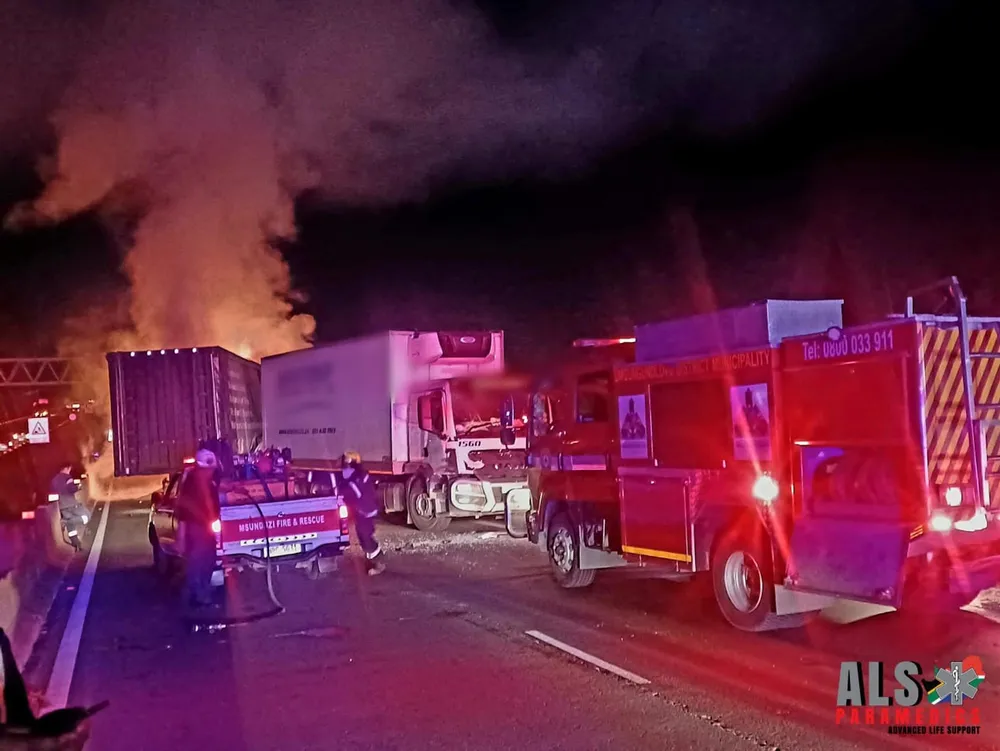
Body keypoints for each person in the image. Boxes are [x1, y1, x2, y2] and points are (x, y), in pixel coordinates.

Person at [175, 449, 221, 610]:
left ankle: (203, 591)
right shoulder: (190, 486)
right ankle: (198, 596)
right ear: (200, 468)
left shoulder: (209, 483)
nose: (210, 472)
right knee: (197, 563)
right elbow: (183, 512)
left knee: (209, 560)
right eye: (208, 470)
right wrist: (181, 537)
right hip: (196, 530)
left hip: (207, 529)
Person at [341, 451, 385, 576]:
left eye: (347, 464)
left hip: (366, 510)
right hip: (362, 511)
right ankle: (371, 561)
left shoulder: (359, 477)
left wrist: (343, 492)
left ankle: (379, 562)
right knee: (362, 536)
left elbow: (356, 492)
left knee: (366, 537)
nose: (345, 467)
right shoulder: (356, 476)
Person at [50, 465, 87, 548]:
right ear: (65, 468)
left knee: (71, 527)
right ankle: (65, 522)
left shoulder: (54, 480)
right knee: (86, 516)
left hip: (61, 506)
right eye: (69, 469)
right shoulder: (67, 477)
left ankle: (76, 543)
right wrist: (78, 487)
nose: (69, 471)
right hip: (71, 504)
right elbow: (71, 489)